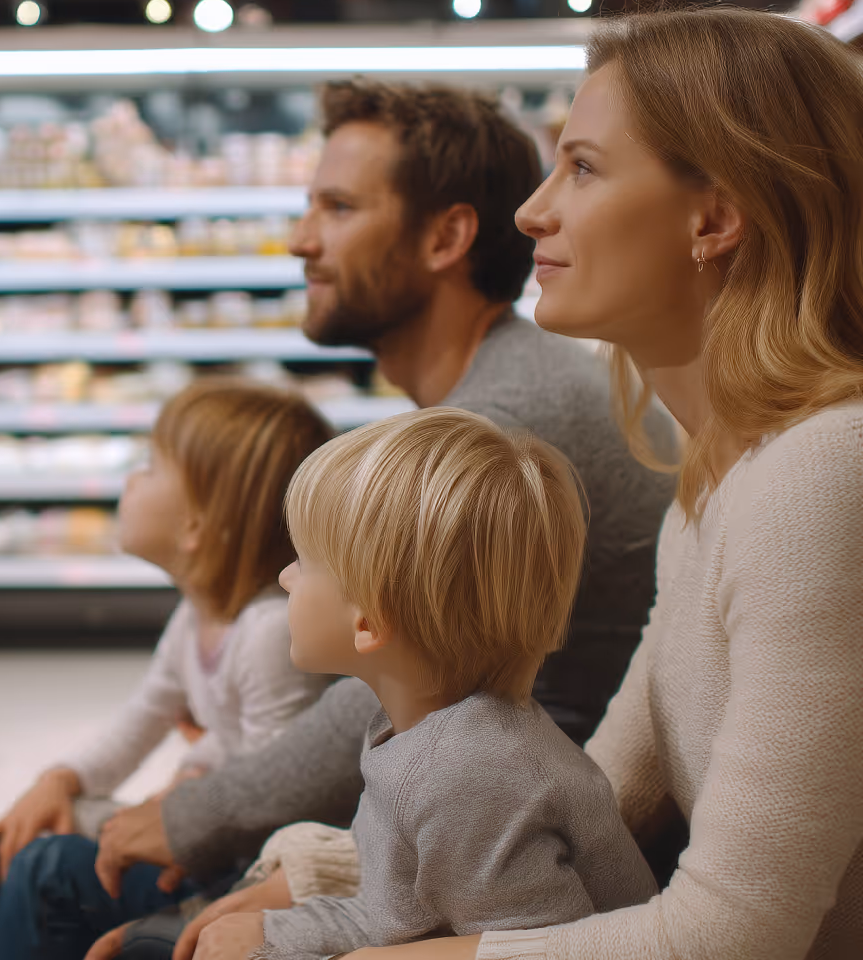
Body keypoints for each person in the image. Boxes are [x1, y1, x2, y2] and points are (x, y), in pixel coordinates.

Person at [260, 4, 863, 960]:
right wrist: (339, 885)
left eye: (581, 167)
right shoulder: (721, 474)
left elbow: (736, 934)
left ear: (714, 216)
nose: (532, 211)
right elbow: (598, 802)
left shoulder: (820, 476)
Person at [77, 81, 678, 960]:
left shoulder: (492, 436)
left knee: (55, 879)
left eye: (338, 206)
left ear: (446, 237)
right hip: (468, 827)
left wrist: (197, 818)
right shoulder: (507, 389)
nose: (299, 238)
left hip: (484, 833)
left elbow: (380, 683)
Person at [195, 407, 657, 960]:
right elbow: (404, 917)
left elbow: (529, 951)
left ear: (368, 621)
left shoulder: (468, 775)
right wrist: (278, 933)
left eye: (304, 561)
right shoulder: (424, 733)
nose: (285, 577)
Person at [0, 379, 336, 960]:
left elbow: (280, 793)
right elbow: (142, 720)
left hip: (241, 870)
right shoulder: (195, 618)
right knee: (9, 847)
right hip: (209, 834)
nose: (132, 480)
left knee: (44, 868)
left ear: (196, 527)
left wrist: (191, 800)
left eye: (151, 467)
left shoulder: (266, 633)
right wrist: (62, 780)